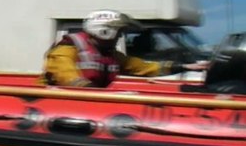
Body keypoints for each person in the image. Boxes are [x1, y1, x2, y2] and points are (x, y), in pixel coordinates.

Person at [39, 9, 208, 87]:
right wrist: (90, 91)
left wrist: (185, 66)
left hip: (91, 101)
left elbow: (144, 67)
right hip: (67, 102)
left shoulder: (111, 55)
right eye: (119, 32)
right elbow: (66, 75)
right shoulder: (67, 49)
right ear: (104, 31)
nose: (120, 36)